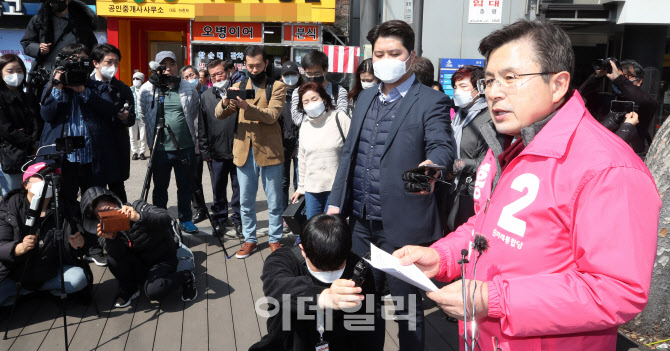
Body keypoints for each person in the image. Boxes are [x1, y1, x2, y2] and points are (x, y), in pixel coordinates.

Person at [394, 20, 661, 350]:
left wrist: (496, 299)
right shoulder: (508, 148)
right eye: (490, 80)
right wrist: (442, 256)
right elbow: (488, 226)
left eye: (511, 78)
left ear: (558, 84)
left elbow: (616, 290)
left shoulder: (608, 168)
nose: (493, 91)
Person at [327, 20, 456, 350]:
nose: (385, 59)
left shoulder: (430, 101)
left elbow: (442, 146)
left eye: (393, 53)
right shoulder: (366, 97)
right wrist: (334, 205)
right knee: (361, 304)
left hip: (404, 228)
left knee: (407, 312)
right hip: (359, 225)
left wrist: (430, 168)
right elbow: (349, 156)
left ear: (411, 56)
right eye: (379, 54)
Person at [40, 43, 125, 266]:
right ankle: (75, 242)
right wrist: (58, 87)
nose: (78, 66)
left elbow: (109, 111)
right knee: (67, 203)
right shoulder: (54, 84)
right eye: (73, 61)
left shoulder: (94, 86)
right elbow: (47, 115)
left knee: (95, 201)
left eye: (82, 61)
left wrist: (83, 91)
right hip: (64, 158)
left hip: (92, 156)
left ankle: (96, 245)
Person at [250, 214, 383, 351]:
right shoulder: (283, 260)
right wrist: (324, 296)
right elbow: (280, 288)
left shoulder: (359, 270)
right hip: (293, 339)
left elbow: (369, 318)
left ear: (302, 249)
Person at [215, 45, 287, 258]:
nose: (254, 69)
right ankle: (250, 239)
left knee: (274, 201)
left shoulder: (277, 86)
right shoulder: (239, 84)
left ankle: (275, 239)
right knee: (245, 201)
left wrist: (247, 107)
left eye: (258, 65)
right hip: (243, 150)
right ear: (244, 65)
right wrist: (228, 97)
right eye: (249, 65)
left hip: (270, 151)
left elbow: (272, 115)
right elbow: (220, 113)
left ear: (266, 63)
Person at [80, 186, 197, 307]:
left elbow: (166, 219)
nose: (107, 216)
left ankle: (186, 277)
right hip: (138, 263)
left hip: (161, 259)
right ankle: (130, 288)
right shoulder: (103, 229)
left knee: (154, 291)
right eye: (101, 215)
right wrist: (112, 238)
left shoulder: (137, 206)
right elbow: (117, 256)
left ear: (115, 202)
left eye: (108, 209)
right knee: (112, 259)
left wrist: (139, 217)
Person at [0, 163, 89, 306]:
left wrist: (78, 243)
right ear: (25, 185)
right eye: (40, 176)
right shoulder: (9, 207)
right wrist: (18, 248)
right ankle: (22, 292)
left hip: (49, 273)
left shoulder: (65, 207)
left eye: (51, 176)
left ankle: (39, 291)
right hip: (14, 276)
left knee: (79, 278)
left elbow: (81, 242)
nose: (47, 180)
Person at [138, 51, 200, 234]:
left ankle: (186, 219)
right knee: (160, 187)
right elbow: (143, 114)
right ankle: (160, 220)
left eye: (171, 64)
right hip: (160, 148)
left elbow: (194, 111)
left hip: (185, 146)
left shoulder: (187, 87)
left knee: (185, 186)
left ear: (176, 66)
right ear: (157, 68)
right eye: (163, 65)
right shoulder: (147, 89)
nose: (168, 68)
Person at [290, 82, 350, 220]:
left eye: (314, 99)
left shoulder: (339, 118)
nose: (310, 103)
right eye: (305, 101)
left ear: (323, 99)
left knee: (331, 229)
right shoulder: (304, 125)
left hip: (336, 188)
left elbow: (353, 149)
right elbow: (302, 159)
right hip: (312, 190)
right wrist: (300, 188)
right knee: (313, 229)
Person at [20, 0, 98, 100]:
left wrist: (85, 68)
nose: (56, 2)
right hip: (47, 75)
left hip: (75, 75)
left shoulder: (81, 21)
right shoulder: (40, 20)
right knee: (47, 107)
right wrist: (38, 48)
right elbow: (27, 43)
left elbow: (93, 48)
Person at [578, 59, 658, 157]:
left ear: (639, 81)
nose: (619, 79)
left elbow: (644, 100)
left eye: (626, 77)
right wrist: (597, 76)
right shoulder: (605, 99)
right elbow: (580, 95)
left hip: (631, 159)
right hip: (602, 155)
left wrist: (619, 79)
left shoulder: (646, 103)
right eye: (619, 75)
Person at [199, 59, 242, 238]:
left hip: (239, 150)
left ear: (229, 72)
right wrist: (205, 150)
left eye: (220, 73)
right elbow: (202, 125)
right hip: (216, 151)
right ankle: (220, 218)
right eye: (213, 75)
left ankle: (239, 220)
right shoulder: (206, 96)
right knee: (218, 188)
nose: (217, 77)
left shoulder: (237, 92)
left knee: (239, 188)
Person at [90, 43, 135, 203]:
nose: (113, 66)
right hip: (93, 147)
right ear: (96, 63)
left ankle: (122, 225)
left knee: (117, 189)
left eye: (116, 62)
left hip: (116, 145)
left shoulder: (122, 89)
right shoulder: (85, 86)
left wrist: (126, 118)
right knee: (95, 192)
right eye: (109, 62)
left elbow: (132, 118)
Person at [445, 65, 489, 231]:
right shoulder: (458, 116)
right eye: (455, 87)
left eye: (463, 86)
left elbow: (489, 162)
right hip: (452, 188)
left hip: (471, 194)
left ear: (480, 88)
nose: (457, 92)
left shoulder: (488, 119)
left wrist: (462, 164)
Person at [0, 54, 41, 196]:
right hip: (11, 154)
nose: (16, 75)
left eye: (19, 71)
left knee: (34, 196)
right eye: (10, 71)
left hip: (33, 154)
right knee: (14, 196)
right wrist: (30, 141)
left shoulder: (29, 97)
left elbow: (37, 121)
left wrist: (36, 143)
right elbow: (6, 129)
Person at [180, 65, 208, 224]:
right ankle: (200, 208)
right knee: (194, 179)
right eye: (186, 77)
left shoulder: (208, 92)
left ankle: (220, 212)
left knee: (217, 180)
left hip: (209, 142)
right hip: (192, 141)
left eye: (192, 75)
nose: (190, 79)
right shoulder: (183, 93)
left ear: (199, 76)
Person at [290, 50, 348, 126]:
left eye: (317, 73)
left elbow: (341, 115)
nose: (313, 77)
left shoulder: (339, 91)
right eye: (309, 73)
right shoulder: (298, 92)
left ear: (326, 70)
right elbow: (297, 119)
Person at [279, 61, 302, 210]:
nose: (290, 78)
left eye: (293, 74)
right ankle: (283, 214)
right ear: (282, 77)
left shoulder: (304, 92)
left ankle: (297, 213)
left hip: (301, 144)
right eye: (287, 75)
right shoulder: (277, 94)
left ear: (298, 75)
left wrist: (298, 143)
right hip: (282, 144)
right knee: (282, 182)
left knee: (300, 182)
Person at [130, 71, 147, 160]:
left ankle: (142, 152)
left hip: (142, 117)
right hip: (132, 116)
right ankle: (135, 152)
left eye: (138, 79)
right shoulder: (130, 90)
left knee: (143, 136)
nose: (135, 80)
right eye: (134, 79)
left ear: (142, 80)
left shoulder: (145, 90)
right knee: (132, 136)